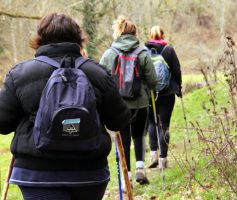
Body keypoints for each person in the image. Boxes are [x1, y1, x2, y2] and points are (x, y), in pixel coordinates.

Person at [0, 13, 130, 200]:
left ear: (40, 38)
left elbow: (2, 124)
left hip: (37, 175)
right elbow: (119, 120)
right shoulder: (98, 73)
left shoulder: (20, 74)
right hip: (89, 174)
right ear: (78, 38)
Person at [100, 16, 157, 186]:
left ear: (119, 32)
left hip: (119, 105)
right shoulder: (143, 53)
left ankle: (127, 178)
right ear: (134, 33)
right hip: (140, 103)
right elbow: (153, 80)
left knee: (123, 139)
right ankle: (140, 168)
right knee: (139, 134)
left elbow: (101, 78)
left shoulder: (110, 53)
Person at [145, 26, 182, 169]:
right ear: (163, 35)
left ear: (150, 36)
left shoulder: (144, 51)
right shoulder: (169, 50)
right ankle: (163, 160)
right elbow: (176, 70)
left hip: (150, 93)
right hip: (167, 93)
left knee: (152, 123)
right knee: (164, 125)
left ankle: (153, 155)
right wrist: (178, 86)